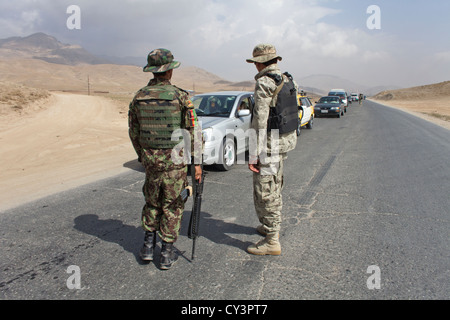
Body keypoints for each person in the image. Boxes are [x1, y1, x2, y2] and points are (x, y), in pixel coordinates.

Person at [128, 48, 202, 270]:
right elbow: (194, 132)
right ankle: (167, 253)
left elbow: (134, 131)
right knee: (172, 204)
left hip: (151, 162)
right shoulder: (180, 97)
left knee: (152, 202)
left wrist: (143, 155)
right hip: (174, 163)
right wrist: (197, 163)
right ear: (169, 71)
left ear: (152, 71)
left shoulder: (139, 97)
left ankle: (148, 247)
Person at [245, 44, 297, 255]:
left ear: (259, 63)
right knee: (275, 184)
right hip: (284, 141)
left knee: (266, 190)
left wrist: (254, 153)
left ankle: (272, 241)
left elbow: (260, 120)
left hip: (269, 145)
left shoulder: (265, 83)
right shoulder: (287, 79)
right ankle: (269, 226)